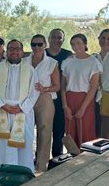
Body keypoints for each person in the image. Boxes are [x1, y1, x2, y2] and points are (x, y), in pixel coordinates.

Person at [0, 40, 39, 172]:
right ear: (7, 51)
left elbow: (35, 91)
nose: (14, 51)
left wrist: (22, 107)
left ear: (22, 51)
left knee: (23, 147)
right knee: (2, 145)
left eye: (17, 49)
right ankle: (2, 173)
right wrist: (3, 106)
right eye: (11, 49)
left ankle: (23, 173)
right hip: (2, 112)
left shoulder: (30, 69)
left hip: (22, 112)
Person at [24, 34, 60, 172]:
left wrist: (45, 88)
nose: (36, 47)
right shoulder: (25, 61)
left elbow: (57, 85)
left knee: (45, 131)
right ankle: (25, 164)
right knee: (25, 130)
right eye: (34, 44)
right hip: (27, 98)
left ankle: (41, 166)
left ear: (45, 45)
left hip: (44, 98)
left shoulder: (52, 63)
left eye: (39, 44)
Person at [61, 34, 102, 148]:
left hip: (85, 100)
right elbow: (63, 86)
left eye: (79, 43)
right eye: (73, 44)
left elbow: (93, 88)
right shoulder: (67, 62)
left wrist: (83, 108)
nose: (76, 46)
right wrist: (65, 106)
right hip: (69, 99)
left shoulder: (93, 62)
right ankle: (72, 158)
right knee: (70, 132)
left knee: (86, 131)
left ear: (85, 44)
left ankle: (87, 161)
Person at [46, 28, 73, 157]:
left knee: (58, 131)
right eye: (54, 37)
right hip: (44, 96)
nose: (57, 40)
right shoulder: (43, 54)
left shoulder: (68, 55)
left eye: (59, 38)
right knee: (43, 129)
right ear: (48, 39)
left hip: (61, 98)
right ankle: (41, 156)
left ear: (63, 40)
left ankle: (57, 158)